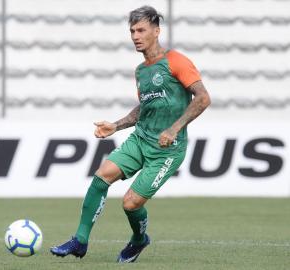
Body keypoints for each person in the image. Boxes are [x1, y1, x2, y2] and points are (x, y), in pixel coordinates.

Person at [50, 5, 211, 263]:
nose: (136, 36)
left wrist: (174, 128)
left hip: (167, 151)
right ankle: (79, 241)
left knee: (130, 203)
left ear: (156, 31)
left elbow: (203, 98)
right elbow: (145, 107)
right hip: (140, 139)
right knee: (102, 176)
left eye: (141, 30)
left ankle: (139, 240)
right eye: (132, 31)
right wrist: (116, 125)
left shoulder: (176, 61)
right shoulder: (141, 70)